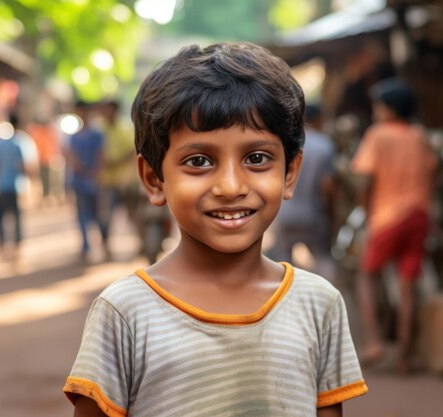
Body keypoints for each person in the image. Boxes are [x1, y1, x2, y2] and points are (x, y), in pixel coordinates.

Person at [63, 42, 367, 417]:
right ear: (154, 179)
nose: (230, 186)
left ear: (289, 173)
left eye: (257, 158)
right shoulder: (126, 312)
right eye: (199, 161)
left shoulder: (319, 304)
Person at [350, 78, 437, 374]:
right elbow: (432, 170)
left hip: (387, 216)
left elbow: (364, 177)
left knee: (366, 274)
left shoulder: (378, 134)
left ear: (388, 108)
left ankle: (373, 341)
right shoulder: (418, 135)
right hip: (419, 215)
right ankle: (403, 355)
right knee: (407, 284)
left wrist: (364, 208)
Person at [269, 103, 338, 280]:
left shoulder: (285, 142)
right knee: (322, 258)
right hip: (313, 213)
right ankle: (330, 297)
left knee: (283, 262)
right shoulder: (325, 145)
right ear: (319, 119)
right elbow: (327, 185)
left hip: (284, 213)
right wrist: (330, 213)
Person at [65, 100, 106, 261]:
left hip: (94, 180)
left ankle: (103, 241)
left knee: (98, 214)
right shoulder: (75, 136)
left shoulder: (96, 134)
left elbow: (101, 155)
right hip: (81, 181)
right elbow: (71, 156)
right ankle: (86, 246)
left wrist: (94, 172)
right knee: (82, 214)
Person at [97, 99, 137, 258]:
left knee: (132, 214)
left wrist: (116, 161)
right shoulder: (99, 131)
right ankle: (106, 247)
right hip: (105, 180)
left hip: (125, 181)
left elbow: (131, 151)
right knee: (105, 216)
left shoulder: (125, 129)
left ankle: (139, 243)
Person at [0, 114, 26, 259]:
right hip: (14, 186)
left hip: (2, 185)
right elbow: (22, 165)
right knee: (16, 216)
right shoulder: (18, 144)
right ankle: (17, 244)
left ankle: (2, 244)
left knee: (1, 216)